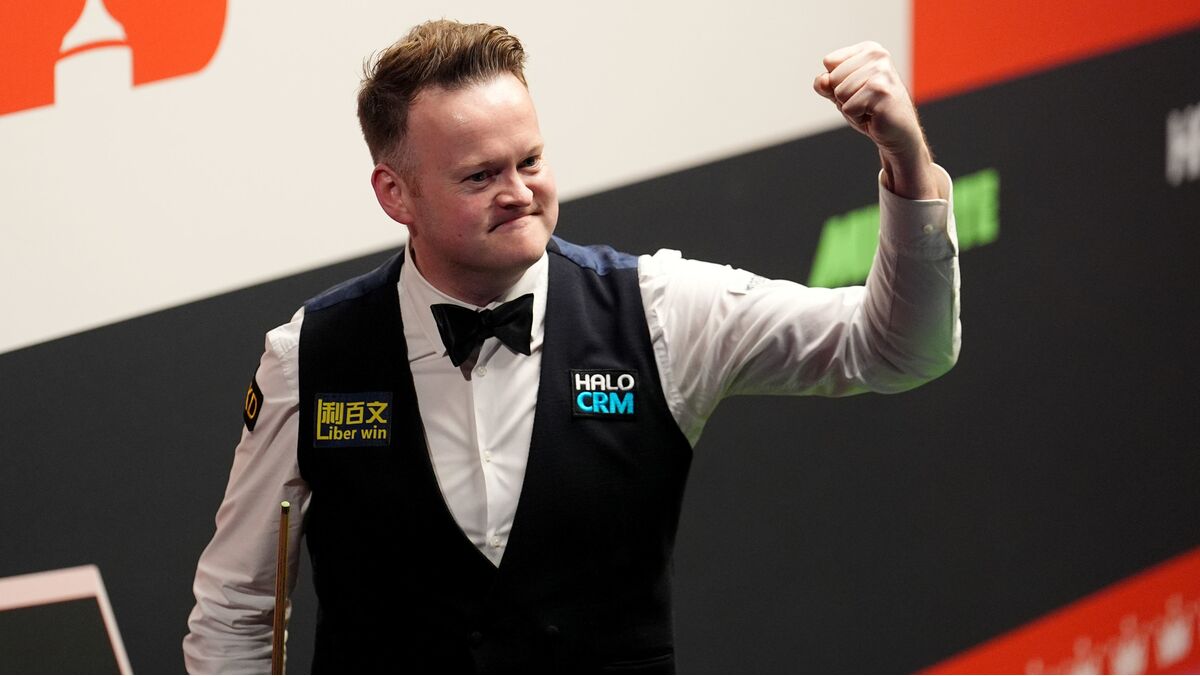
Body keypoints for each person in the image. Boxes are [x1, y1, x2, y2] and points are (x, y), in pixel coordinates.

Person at [184, 19, 960, 674]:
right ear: (396, 194)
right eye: (480, 176)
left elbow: (897, 349)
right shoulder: (307, 357)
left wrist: (906, 160)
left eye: (530, 161)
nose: (519, 193)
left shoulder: (659, 311)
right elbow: (235, 608)